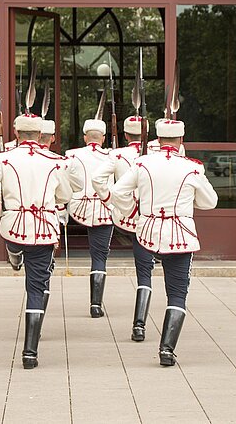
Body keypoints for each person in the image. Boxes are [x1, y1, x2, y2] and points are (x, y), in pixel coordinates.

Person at [109, 119, 218, 366]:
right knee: (177, 294)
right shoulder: (192, 168)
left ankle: (141, 325)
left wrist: (131, 212)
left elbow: (118, 192)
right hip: (180, 235)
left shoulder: (142, 163)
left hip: (147, 232)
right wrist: (190, 203)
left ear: (157, 139)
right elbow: (210, 201)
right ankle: (166, 350)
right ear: (181, 140)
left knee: (144, 278)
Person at [0, 114, 72, 369]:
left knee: (14, 243)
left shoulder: (3, 159)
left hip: (14, 226)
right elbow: (65, 194)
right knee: (36, 289)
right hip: (43, 228)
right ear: (40, 135)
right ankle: (30, 353)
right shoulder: (55, 161)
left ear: (17, 134)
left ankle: (14, 251)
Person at [92, 115, 155, 341]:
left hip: (129, 219)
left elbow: (98, 179)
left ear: (126, 135)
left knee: (143, 271)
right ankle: (139, 324)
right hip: (155, 219)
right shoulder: (157, 154)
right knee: (148, 273)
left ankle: (139, 325)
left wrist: (112, 201)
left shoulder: (116, 154)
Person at [66, 117, 113, 318]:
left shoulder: (71, 155)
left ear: (85, 137)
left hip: (78, 208)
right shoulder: (112, 156)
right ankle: (95, 305)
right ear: (103, 138)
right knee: (99, 257)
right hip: (104, 208)